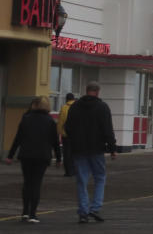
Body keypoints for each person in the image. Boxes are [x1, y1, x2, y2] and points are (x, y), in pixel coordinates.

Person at [63, 81, 116, 224]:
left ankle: (83, 212)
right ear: (98, 91)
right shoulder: (102, 107)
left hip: (79, 149)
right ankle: (95, 208)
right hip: (97, 149)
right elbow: (107, 129)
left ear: (86, 91)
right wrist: (112, 149)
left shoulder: (74, 107)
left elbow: (67, 127)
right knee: (100, 177)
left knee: (82, 180)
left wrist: (74, 141)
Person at [5, 96, 61, 222]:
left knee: (27, 182)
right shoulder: (50, 121)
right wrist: (58, 158)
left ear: (34, 105)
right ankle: (33, 214)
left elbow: (18, 138)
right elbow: (55, 142)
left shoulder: (26, 119)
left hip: (26, 155)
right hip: (42, 156)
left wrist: (10, 155)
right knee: (36, 183)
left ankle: (25, 212)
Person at [58, 92, 76, 176]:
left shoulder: (64, 108)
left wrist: (60, 132)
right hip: (76, 135)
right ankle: (75, 170)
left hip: (66, 135)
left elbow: (60, 122)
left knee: (67, 154)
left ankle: (68, 172)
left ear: (66, 99)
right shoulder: (78, 107)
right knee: (75, 153)